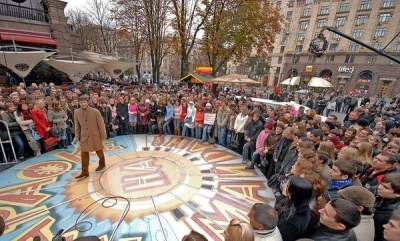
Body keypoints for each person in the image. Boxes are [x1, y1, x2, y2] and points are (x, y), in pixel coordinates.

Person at [74, 95, 107, 179]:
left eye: (84, 102)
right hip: (84, 136)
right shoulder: (76, 112)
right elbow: (77, 125)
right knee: (84, 154)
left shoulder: (95, 111)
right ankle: (84, 172)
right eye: (81, 102)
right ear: (79, 103)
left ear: (87, 102)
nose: (83, 104)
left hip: (95, 136)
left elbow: (101, 124)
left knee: (99, 152)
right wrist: (77, 135)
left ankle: (102, 164)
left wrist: (103, 135)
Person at [275, 176, 312, 241]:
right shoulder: (301, 203)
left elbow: (279, 236)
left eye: (287, 186)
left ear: (292, 193)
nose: (283, 185)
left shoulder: (292, 222)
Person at [374, 173, 400, 241]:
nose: (379, 187)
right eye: (381, 184)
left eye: (385, 187)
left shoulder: (392, 214)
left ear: (397, 194)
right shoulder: (381, 195)